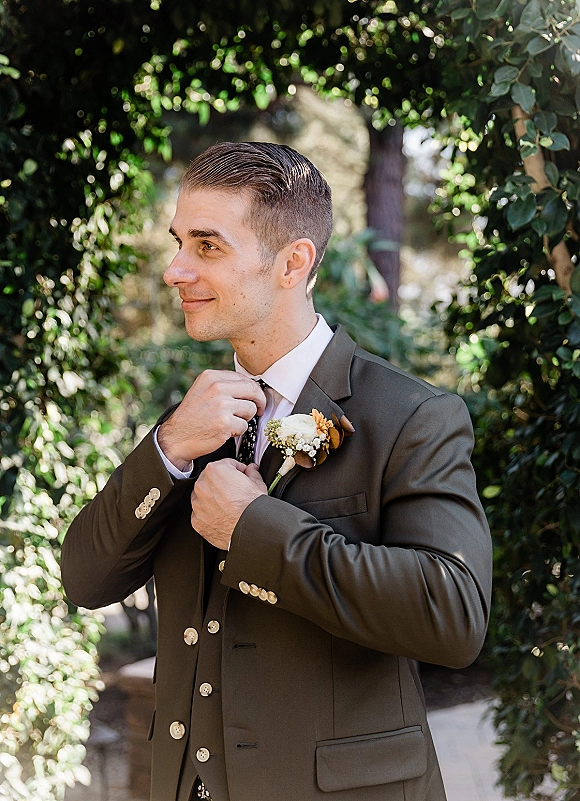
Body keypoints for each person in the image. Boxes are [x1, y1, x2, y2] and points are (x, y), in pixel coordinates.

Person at [61, 141, 492, 801]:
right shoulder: (191, 419)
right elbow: (86, 579)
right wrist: (170, 444)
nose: (174, 269)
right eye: (180, 242)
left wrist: (256, 528)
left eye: (207, 246)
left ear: (292, 262)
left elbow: (452, 612)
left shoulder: (412, 415)